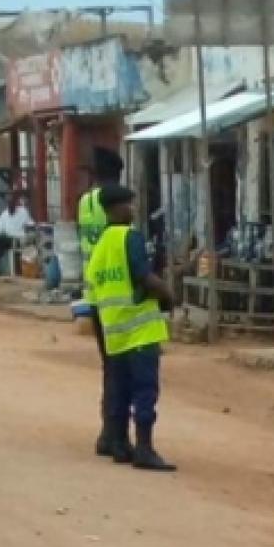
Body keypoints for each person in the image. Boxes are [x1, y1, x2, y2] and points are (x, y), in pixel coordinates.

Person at [83, 183, 178, 471]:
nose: (133, 209)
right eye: (129, 204)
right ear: (116, 208)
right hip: (140, 328)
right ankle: (145, 449)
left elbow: (94, 293)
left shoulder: (99, 246)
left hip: (114, 330)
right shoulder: (130, 237)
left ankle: (119, 444)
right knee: (145, 389)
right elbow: (143, 277)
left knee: (119, 388)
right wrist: (168, 294)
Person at [79, 147, 124, 458]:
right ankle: (113, 433)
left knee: (109, 366)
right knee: (121, 369)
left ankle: (108, 432)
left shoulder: (85, 202)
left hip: (95, 293)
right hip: (120, 296)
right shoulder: (116, 205)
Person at [0, 192, 34, 273]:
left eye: (12, 203)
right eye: (8, 203)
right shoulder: (5, 214)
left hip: (18, 239)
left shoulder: (23, 212)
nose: (10, 205)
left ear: (15, 203)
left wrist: (27, 231)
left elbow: (31, 225)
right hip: (7, 238)